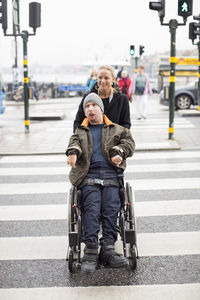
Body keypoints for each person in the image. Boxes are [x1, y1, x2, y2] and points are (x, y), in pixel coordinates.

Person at [66, 93, 135, 273]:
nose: (90, 109)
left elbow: (129, 142)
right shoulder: (80, 132)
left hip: (111, 175)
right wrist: (73, 153)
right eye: (86, 106)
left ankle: (108, 249)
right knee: (92, 207)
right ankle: (90, 250)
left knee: (111, 207)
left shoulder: (116, 129)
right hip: (89, 176)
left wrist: (118, 151)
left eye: (93, 106)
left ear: (100, 109)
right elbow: (74, 144)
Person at [74, 65, 131, 132]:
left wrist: (117, 137)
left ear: (113, 79)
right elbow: (78, 122)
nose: (102, 81)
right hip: (91, 140)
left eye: (106, 78)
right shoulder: (88, 98)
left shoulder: (122, 99)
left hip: (114, 139)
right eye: (100, 78)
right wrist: (80, 138)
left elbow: (126, 124)